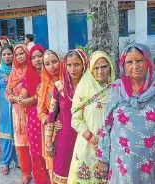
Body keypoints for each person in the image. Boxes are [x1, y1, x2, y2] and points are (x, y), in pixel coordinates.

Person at [97, 43, 155, 183]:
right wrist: (103, 159)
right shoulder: (117, 87)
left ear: (148, 62)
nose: (135, 66)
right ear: (123, 65)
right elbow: (107, 124)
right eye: (129, 62)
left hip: (150, 160)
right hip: (121, 161)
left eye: (139, 60)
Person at [68, 51, 115, 184]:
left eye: (104, 67)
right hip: (88, 144)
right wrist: (93, 140)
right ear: (91, 69)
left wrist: (104, 144)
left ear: (110, 67)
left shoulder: (116, 89)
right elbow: (75, 120)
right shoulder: (84, 89)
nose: (100, 71)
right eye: (96, 68)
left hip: (110, 146)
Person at [46, 49, 89, 184]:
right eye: (69, 65)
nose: (72, 69)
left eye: (76, 64)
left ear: (84, 65)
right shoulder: (59, 86)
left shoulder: (90, 88)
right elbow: (51, 115)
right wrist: (48, 142)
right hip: (64, 138)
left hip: (85, 138)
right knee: (62, 175)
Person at [20, 44, 51, 184]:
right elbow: (23, 101)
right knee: (37, 152)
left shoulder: (53, 74)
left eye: (40, 56)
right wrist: (36, 97)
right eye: (33, 57)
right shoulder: (28, 77)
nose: (37, 60)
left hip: (52, 117)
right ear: (30, 61)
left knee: (51, 149)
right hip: (34, 119)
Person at [5, 44, 32, 183]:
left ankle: (39, 170)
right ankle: (26, 172)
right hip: (18, 113)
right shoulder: (13, 73)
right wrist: (16, 98)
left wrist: (29, 99)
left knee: (35, 142)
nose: (20, 56)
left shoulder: (34, 69)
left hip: (33, 111)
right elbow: (7, 93)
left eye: (22, 53)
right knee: (21, 144)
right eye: (17, 54)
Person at [0, 44, 19, 175]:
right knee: (5, 135)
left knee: (18, 133)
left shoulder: (18, 70)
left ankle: (18, 159)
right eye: (4, 55)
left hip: (17, 106)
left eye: (9, 54)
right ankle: (5, 162)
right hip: (3, 108)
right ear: (1, 57)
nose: (7, 57)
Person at [37, 49, 64, 181]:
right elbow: (40, 112)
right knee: (53, 166)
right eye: (47, 64)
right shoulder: (43, 87)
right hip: (51, 133)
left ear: (61, 62)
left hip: (69, 129)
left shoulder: (70, 83)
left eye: (54, 62)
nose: (51, 66)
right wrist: (51, 122)